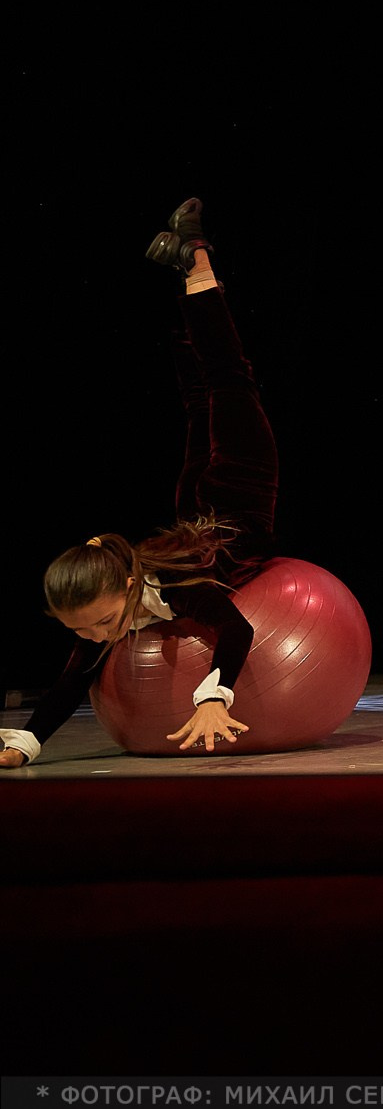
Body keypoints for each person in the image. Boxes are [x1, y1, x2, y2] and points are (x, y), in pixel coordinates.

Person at [3, 201, 273, 767]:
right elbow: (71, 683)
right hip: (202, 505)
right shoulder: (111, 607)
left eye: (101, 623)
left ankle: (197, 261)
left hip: (235, 490)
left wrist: (212, 695)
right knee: (201, 398)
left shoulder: (174, 590)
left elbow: (237, 630)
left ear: (127, 583)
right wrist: (24, 747)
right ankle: (183, 267)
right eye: (86, 629)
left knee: (226, 381)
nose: (101, 637)